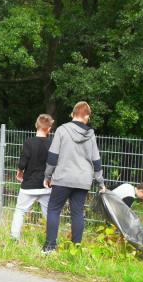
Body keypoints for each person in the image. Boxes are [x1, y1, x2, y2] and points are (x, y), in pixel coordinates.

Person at [42, 101, 105, 254]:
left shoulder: (62, 130)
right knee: (77, 213)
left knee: (53, 209)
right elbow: (96, 161)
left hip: (63, 177)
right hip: (83, 180)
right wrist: (101, 182)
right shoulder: (91, 135)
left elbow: (53, 156)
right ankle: (75, 248)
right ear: (86, 116)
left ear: (73, 114)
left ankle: (50, 247)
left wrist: (47, 176)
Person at [10, 114, 54, 241]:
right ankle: (51, 241)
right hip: (46, 185)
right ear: (49, 129)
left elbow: (23, 162)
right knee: (50, 214)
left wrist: (19, 172)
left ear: (36, 125)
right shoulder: (52, 144)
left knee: (20, 211)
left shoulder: (29, 142)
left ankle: (14, 238)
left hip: (29, 185)